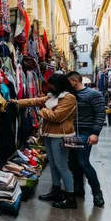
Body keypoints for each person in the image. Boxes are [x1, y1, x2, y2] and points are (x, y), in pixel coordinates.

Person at [11, 74, 78, 209]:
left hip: (61, 136)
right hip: (49, 135)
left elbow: (56, 117)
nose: (50, 87)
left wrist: (42, 111)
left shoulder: (69, 98)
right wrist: (17, 102)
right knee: (53, 164)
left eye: (52, 84)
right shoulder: (54, 96)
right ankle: (56, 190)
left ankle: (71, 197)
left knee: (61, 166)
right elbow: (36, 101)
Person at [66, 71, 105, 207]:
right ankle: (78, 187)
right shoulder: (69, 95)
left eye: (68, 82)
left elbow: (100, 113)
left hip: (85, 132)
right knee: (73, 162)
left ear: (75, 80)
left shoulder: (93, 94)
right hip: (71, 133)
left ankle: (97, 192)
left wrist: (95, 133)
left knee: (83, 162)